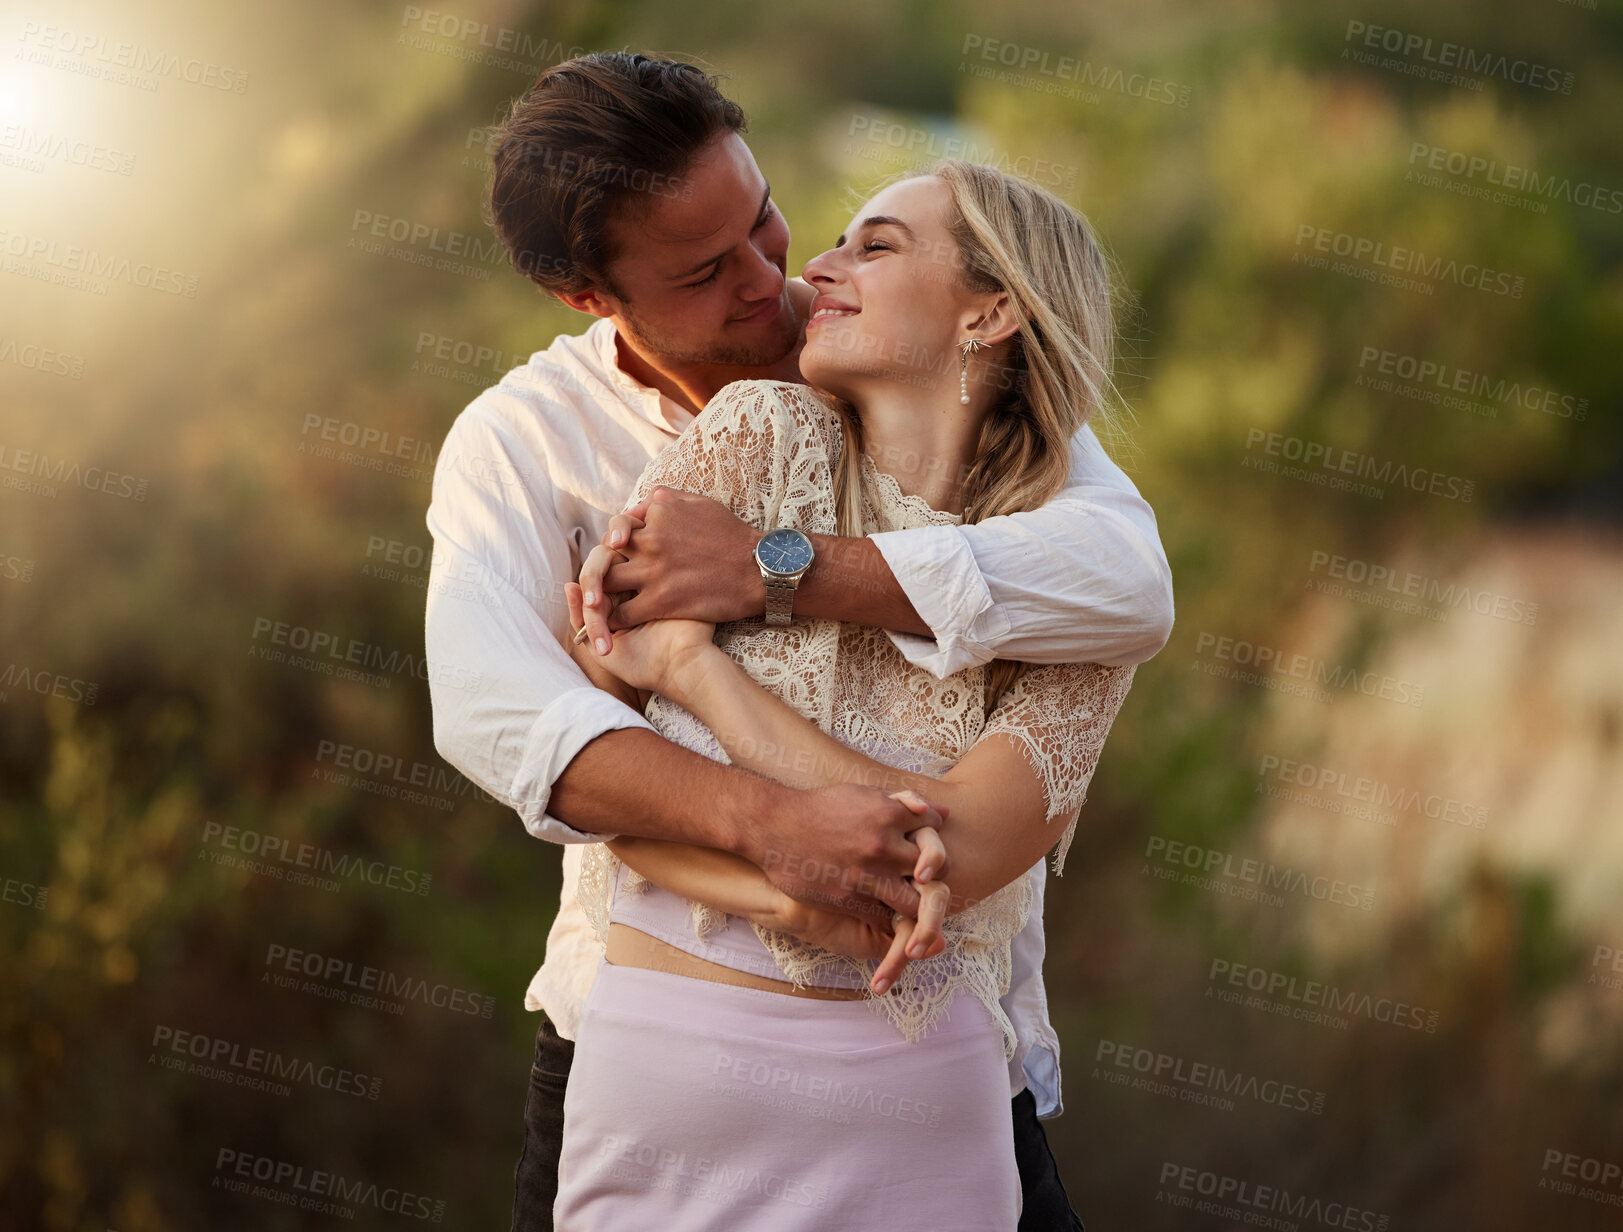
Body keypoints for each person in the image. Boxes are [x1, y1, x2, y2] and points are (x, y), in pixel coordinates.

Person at [423, 52, 1173, 1232]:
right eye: (707, 269)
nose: (779, 277)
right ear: (589, 296)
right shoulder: (530, 442)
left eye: (769, 220)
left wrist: (769, 573)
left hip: (942, 1045)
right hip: (646, 1030)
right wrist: (780, 847)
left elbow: (1126, 583)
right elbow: (495, 702)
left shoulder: (971, 409)